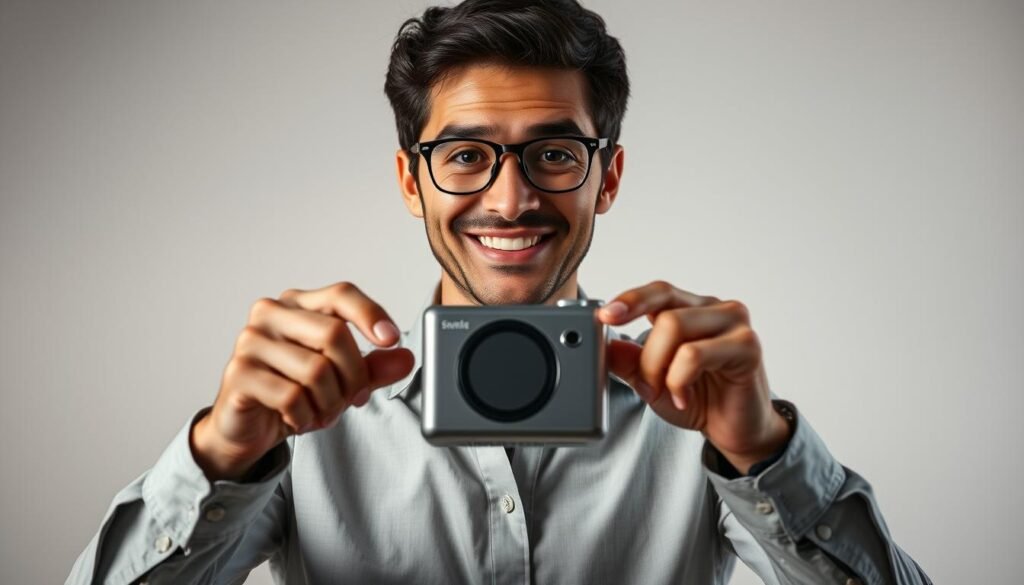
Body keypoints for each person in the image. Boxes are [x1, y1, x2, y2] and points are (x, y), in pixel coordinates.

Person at [67, 1, 932, 583]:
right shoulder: (310, 418)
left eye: (554, 154)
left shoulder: (694, 413)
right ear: (411, 182)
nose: (511, 199)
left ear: (607, 177)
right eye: (466, 155)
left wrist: (765, 453)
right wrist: (221, 455)